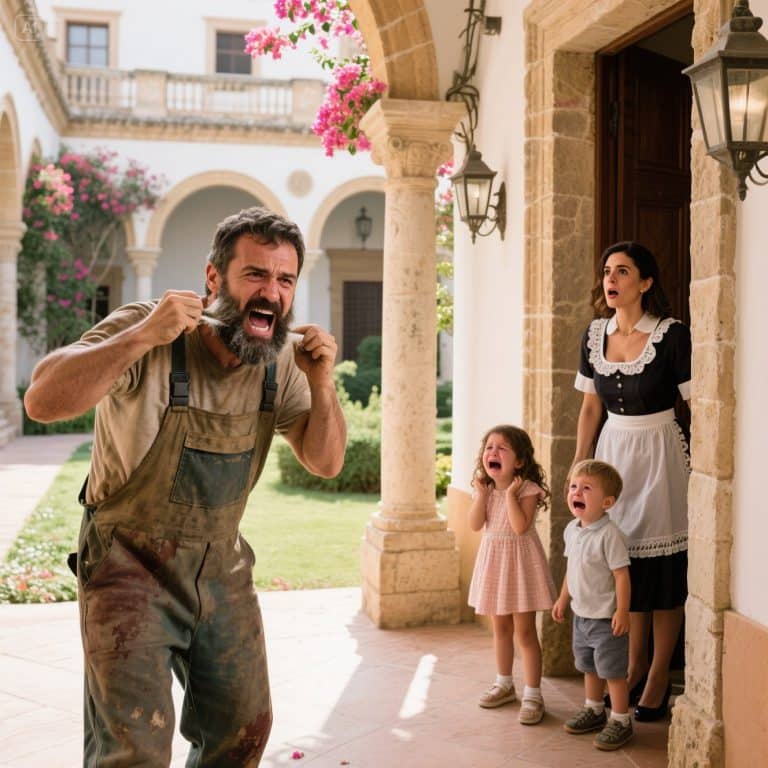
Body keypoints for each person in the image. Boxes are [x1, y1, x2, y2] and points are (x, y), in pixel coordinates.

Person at [24, 207, 347, 767]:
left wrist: (323, 384)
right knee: (136, 748)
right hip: (127, 564)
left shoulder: (282, 361)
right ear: (214, 278)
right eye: (255, 275)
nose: (271, 293)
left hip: (221, 565)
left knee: (243, 729)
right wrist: (143, 335)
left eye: (285, 279)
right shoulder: (150, 327)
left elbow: (325, 462)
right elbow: (43, 400)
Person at [572, 240, 691, 722]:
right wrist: (581, 464)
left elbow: (695, 402)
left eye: (623, 272)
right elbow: (588, 407)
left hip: (661, 452)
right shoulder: (594, 334)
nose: (611, 279)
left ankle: (659, 672)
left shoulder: (671, 334)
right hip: (613, 451)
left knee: (662, 566)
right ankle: (632, 663)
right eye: (607, 271)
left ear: (645, 282)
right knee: (623, 560)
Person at [467, 425, 556, 725]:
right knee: (500, 628)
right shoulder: (484, 489)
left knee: (526, 632)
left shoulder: (527, 490)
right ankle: (504, 683)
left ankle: (533, 693)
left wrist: (509, 497)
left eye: (502, 448)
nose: (493, 452)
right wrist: (482, 496)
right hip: (495, 566)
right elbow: (475, 524)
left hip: (520, 567)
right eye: (489, 447)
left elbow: (520, 527)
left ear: (519, 462)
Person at [553, 460, 632, 751]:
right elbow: (571, 569)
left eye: (587, 488)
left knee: (612, 671)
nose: (577, 492)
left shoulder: (609, 535)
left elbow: (621, 576)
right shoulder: (572, 530)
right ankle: (594, 709)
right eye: (574, 486)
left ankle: (621, 720)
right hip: (581, 616)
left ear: (607, 502)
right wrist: (563, 598)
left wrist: (622, 611)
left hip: (605, 619)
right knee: (589, 667)